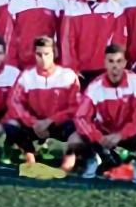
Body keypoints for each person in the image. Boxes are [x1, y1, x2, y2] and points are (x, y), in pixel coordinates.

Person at [75, 44, 136, 183]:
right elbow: (81, 117)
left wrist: (121, 135)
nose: (115, 66)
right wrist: (98, 137)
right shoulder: (95, 86)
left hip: (127, 134)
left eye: (119, 61)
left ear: (125, 63)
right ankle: (97, 159)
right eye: (111, 61)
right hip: (104, 135)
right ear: (105, 63)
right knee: (75, 139)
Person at [6, 36, 81, 166]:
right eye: (39, 54)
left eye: (47, 54)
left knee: (78, 126)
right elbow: (14, 102)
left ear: (54, 53)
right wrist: (33, 122)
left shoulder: (68, 75)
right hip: (35, 124)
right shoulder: (26, 75)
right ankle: (30, 157)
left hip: (58, 123)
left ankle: (70, 161)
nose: (43, 58)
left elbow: (76, 107)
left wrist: (50, 121)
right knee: (10, 124)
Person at [59, 0, 124, 87]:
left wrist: (115, 67)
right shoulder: (72, 9)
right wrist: (72, 69)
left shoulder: (114, 8)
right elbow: (67, 42)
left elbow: (119, 41)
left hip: (105, 70)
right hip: (81, 73)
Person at [7, 0, 60, 69]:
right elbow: (10, 37)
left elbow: (59, 34)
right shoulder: (15, 3)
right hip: (24, 64)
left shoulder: (52, 2)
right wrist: (12, 64)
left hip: (48, 62)